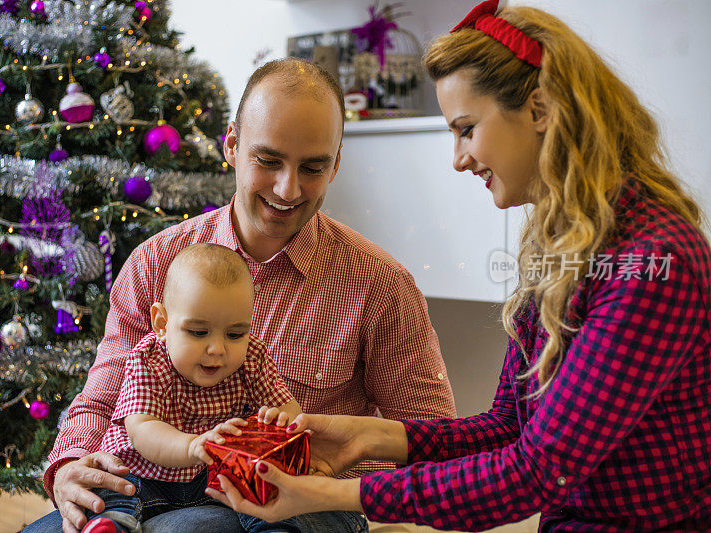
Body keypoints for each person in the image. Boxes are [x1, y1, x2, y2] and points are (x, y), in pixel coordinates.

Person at [205, 1, 711, 531]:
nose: (459, 157)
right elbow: (509, 427)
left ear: (539, 110)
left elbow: (536, 471)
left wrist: (336, 493)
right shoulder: (570, 249)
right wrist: (369, 436)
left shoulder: (652, 263)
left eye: (466, 128)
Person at [26, 58, 456, 533]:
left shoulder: (380, 286)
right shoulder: (155, 263)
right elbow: (100, 400)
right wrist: (69, 467)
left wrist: (335, 476)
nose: (287, 189)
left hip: (305, 503)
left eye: (312, 167)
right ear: (231, 145)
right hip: (149, 488)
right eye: (268, 161)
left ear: (335, 165)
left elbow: (433, 440)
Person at [80, 243, 304, 533]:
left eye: (235, 334)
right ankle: (114, 524)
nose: (217, 349)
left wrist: (282, 423)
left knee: (265, 480)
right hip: (144, 477)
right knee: (113, 489)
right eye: (198, 332)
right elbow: (143, 430)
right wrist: (192, 446)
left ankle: (275, 529)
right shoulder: (149, 359)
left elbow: (286, 408)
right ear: (162, 323)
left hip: (215, 480)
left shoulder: (252, 357)